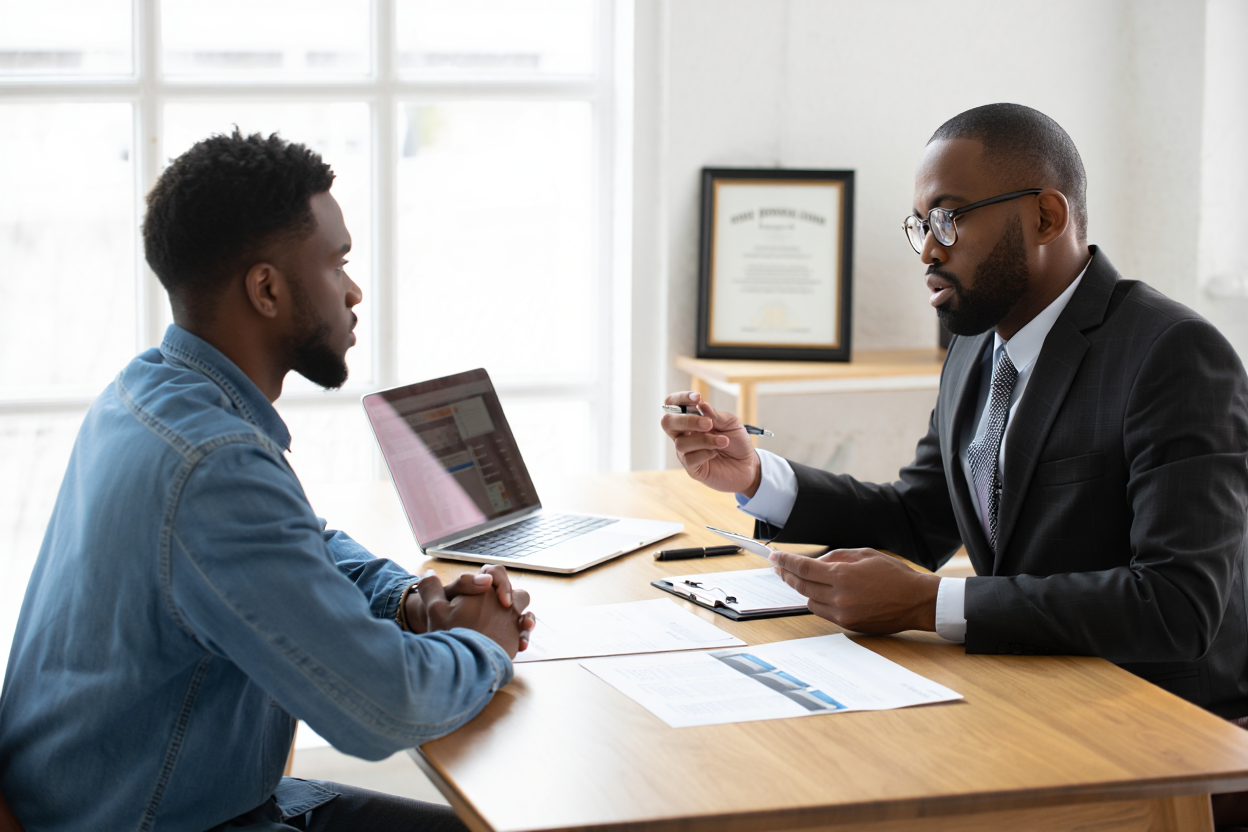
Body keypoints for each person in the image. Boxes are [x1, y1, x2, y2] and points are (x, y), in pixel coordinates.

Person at [0, 129, 535, 832]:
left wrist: (407, 600)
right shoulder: (213, 462)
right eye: (337, 263)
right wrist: (485, 644)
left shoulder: (149, 394)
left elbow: (296, 543)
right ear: (267, 288)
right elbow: (385, 708)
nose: (353, 290)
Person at [662, 104, 1248, 717]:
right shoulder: (974, 347)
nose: (928, 253)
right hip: (1031, 691)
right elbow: (919, 519)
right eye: (920, 226)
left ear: (1046, 216)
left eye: (948, 219)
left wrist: (928, 604)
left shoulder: (1173, 354)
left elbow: (1177, 605)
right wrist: (758, 477)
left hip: (1165, 722)